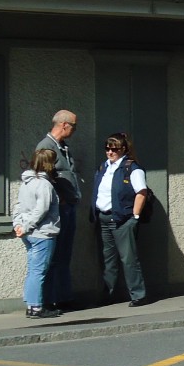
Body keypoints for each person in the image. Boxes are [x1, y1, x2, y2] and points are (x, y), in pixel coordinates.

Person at [92, 131, 150, 306]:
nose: (110, 152)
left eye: (114, 149)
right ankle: (109, 294)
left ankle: (138, 295)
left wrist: (135, 217)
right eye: (107, 149)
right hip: (104, 218)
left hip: (122, 220)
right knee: (107, 259)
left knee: (128, 258)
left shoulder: (131, 168)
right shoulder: (104, 167)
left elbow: (141, 193)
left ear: (123, 149)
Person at [36, 109, 80, 310]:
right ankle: (51, 298)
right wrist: (59, 199)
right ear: (64, 125)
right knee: (55, 255)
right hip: (58, 209)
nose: (74, 130)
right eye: (74, 126)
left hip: (69, 206)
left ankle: (63, 295)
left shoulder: (63, 146)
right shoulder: (46, 147)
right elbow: (43, 177)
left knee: (65, 254)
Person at [12, 148, 62, 319]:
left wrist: (18, 224)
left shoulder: (26, 182)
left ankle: (32, 304)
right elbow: (41, 210)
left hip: (28, 233)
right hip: (42, 233)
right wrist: (25, 226)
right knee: (38, 271)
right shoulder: (44, 184)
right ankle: (36, 307)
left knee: (33, 269)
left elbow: (18, 206)